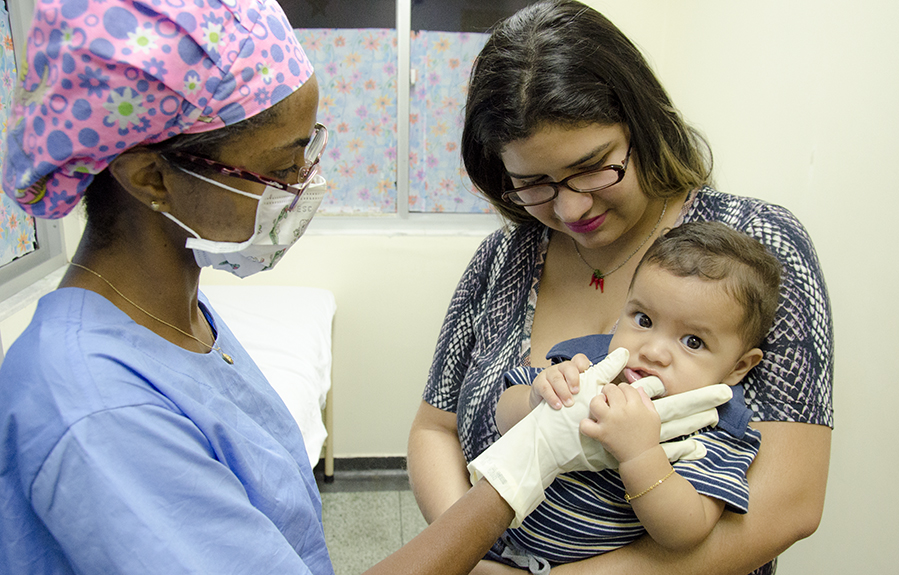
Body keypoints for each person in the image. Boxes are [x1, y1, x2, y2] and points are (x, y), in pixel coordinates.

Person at [0, 2, 728, 574]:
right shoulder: (95, 404)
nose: (304, 185)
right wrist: (525, 460)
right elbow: (437, 424)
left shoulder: (180, 318)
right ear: (151, 175)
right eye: (282, 164)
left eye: (309, 148)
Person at [407, 1, 834, 574]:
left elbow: (790, 504)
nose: (570, 206)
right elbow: (436, 428)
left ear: (644, 123)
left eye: (594, 166)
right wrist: (471, 556)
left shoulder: (757, 248)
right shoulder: (503, 260)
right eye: (533, 183)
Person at [491, 222, 781, 570]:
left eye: (693, 341)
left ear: (738, 367)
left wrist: (640, 454)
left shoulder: (714, 430)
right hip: (501, 549)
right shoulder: (588, 368)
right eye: (643, 319)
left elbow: (687, 532)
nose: (654, 351)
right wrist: (536, 400)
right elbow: (503, 414)